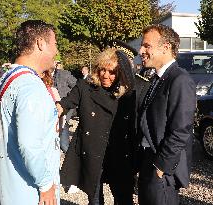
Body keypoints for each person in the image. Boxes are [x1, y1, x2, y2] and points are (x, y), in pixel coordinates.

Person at [0, 20, 60, 205]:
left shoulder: (7, 78)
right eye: (55, 44)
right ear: (41, 43)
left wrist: (7, 154)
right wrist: (46, 185)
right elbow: (29, 144)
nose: (56, 51)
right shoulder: (30, 85)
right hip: (32, 193)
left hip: (12, 190)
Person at [57, 48, 134, 204]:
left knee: (122, 196)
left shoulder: (127, 94)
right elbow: (64, 104)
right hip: (92, 151)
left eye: (111, 72)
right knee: (94, 197)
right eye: (102, 70)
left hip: (117, 152)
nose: (105, 75)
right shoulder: (85, 87)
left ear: (120, 73)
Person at [136, 24, 196, 205]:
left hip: (161, 169)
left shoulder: (180, 79)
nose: (141, 50)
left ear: (166, 47)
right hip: (149, 162)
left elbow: (181, 130)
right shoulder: (156, 78)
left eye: (147, 45)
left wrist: (161, 167)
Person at [52, 61, 77, 153]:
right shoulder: (41, 76)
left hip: (65, 107)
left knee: (63, 133)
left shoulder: (64, 74)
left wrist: (68, 100)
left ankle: (69, 154)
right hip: (51, 109)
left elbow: (76, 88)